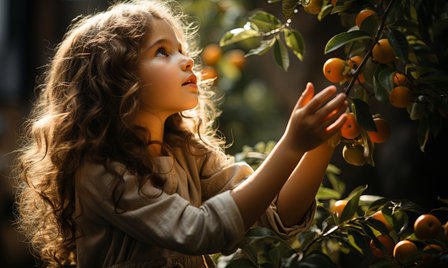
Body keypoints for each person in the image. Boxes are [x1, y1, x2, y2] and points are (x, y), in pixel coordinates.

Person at [15, 0, 348, 267]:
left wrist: (322, 143)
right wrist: (290, 145)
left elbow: (275, 215)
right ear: (114, 79)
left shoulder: (185, 152)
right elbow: (200, 231)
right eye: (162, 51)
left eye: (181, 49)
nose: (187, 61)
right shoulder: (100, 171)